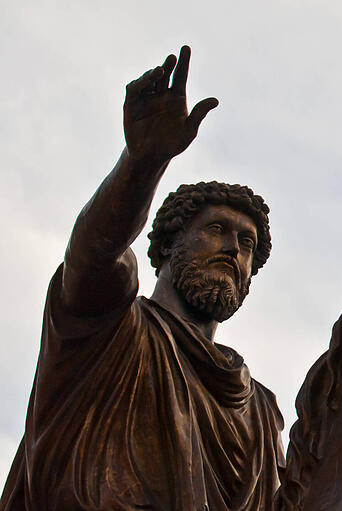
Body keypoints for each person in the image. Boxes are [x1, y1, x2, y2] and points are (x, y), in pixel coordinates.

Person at [0, 46, 284, 511]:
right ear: (167, 245)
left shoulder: (259, 410)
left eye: (248, 244)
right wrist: (142, 162)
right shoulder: (107, 328)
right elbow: (93, 255)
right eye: (217, 230)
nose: (235, 248)